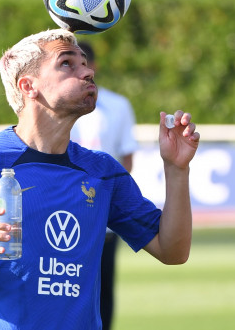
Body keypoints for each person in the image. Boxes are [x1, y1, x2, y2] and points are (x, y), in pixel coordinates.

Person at [0, 28, 199, 330]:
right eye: (67, 63)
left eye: (85, 63)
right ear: (28, 86)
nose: (87, 72)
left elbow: (172, 250)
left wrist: (177, 168)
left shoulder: (103, 171)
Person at [70, 41, 138, 330]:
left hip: (103, 215)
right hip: (65, 209)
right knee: (61, 287)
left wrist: (110, 199)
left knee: (102, 289)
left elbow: (127, 159)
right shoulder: (53, 105)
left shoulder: (118, 105)